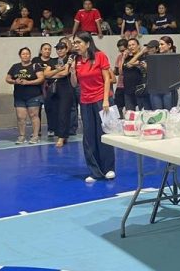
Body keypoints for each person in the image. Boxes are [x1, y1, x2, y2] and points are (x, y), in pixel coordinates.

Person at [70, 31, 116, 183]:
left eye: (78, 42)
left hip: (101, 100)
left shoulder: (100, 56)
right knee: (89, 137)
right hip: (85, 101)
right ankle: (95, 171)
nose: (75, 46)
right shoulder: (76, 60)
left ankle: (109, 169)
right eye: (74, 43)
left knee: (103, 134)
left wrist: (105, 101)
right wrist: (71, 71)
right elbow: (75, 84)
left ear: (87, 43)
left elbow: (107, 79)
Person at [6, 47, 44, 144]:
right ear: (20, 56)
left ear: (30, 55)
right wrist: (15, 81)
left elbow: (41, 78)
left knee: (34, 115)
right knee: (20, 117)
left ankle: (35, 136)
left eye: (27, 53)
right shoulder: (15, 66)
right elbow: (7, 78)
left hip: (34, 95)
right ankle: (21, 136)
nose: (25, 55)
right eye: (23, 54)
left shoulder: (36, 66)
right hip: (19, 96)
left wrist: (28, 82)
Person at [45, 41, 76, 148]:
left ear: (66, 49)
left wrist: (55, 72)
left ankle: (61, 137)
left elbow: (65, 73)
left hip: (66, 88)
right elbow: (46, 74)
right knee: (55, 111)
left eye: (62, 48)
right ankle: (61, 134)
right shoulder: (52, 60)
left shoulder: (70, 58)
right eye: (58, 48)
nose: (59, 50)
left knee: (64, 112)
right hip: (54, 89)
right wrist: (59, 70)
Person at [149, 36, 179, 110]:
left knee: (169, 115)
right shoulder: (155, 57)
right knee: (158, 115)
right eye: (159, 44)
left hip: (169, 90)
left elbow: (176, 75)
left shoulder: (175, 57)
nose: (159, 46)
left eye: (162, 44)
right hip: (155, 90)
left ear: (169, 45)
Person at [33, 43, 56, 137]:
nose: (47, 51)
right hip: (37, 87)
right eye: (45, 49)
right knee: (36, 110)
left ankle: (51, 129)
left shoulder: (54, 61)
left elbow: (53, 74)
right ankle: (37, 130)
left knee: (50, 109)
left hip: (49, 87)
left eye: (49, 49)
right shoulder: (35, 60)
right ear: (41, 50)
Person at [121, 38, 144, 112]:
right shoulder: (127, 58)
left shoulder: (143, 57)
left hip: (140, 90)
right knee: (130, 115)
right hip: (128, 90)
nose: (131, 47)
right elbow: (121, 72)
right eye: (129, 45)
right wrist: (123, 57)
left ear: (138, 46)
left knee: (142, 114)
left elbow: (129, 65)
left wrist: (134, 63)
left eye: (133, 44)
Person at [113, 39, 129, 115]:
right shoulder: (119, 57)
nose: (122, 53)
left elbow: (121, 71)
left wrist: (123, 59)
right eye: (120, 51)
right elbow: (116, 72)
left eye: (123, 50)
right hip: (120, 84)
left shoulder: (131, 57)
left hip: (129, 84)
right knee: (118, 105)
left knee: (129, 107)